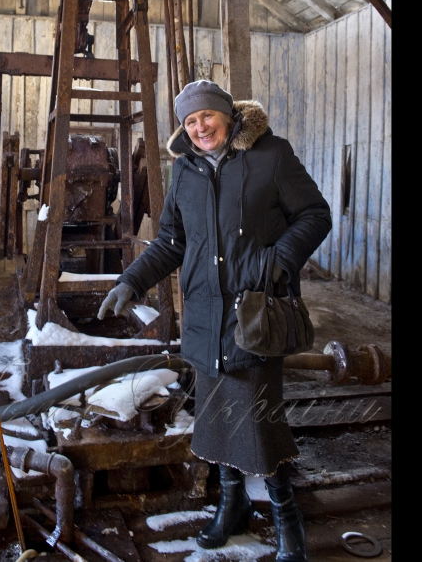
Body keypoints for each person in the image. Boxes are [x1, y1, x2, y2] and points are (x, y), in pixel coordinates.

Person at [98, 80, 332, 561]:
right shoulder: (183, 171)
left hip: (254, 313)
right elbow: (170, 242)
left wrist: (279, 262)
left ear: (228, 116)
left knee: (260, 423)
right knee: (215, 421)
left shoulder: (272, 155)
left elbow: (315, 214)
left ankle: (287, 517)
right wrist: (131, 282)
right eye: (190, 121)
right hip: (205, 314)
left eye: (207, 116)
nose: (200, 127)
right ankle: (232, 505)